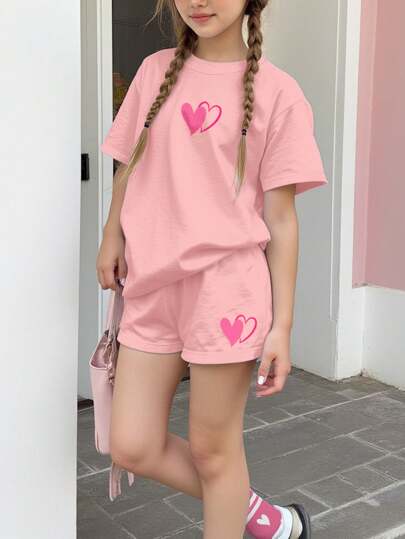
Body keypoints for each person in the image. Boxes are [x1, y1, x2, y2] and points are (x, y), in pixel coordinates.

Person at [96, 1, 328, 537]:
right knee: (132, 444)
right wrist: (112, 233)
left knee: (213, 451)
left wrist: (283, 326)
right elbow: (130, 162)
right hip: (152, 283)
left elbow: (282, 220)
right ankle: (266, 518)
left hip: (228, 293)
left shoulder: (279, 93)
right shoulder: (154, 71)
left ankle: (244, 509)